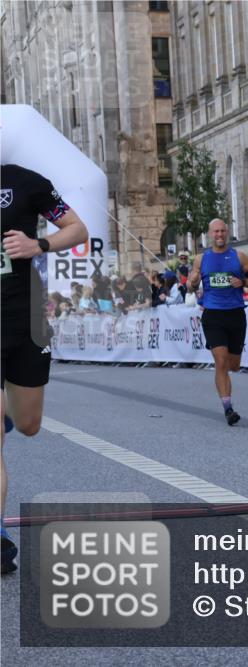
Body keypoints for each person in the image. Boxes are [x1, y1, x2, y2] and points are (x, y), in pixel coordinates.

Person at [1, 162, 89, 574]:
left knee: (28, 423)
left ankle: (7, 409)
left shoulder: (24, 182)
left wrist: (39, 244)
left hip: (27, 320)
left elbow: (77, 228)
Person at [186, 219, 248, 426]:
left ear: (227, 232)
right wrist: (192, 283)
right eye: (215, 231)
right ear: (210, 234)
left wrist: (243, 282)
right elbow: (191, 287)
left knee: (233, 365)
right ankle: (228, 409)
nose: (219, 234)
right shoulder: (201, 259)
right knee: (220, 361)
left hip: (236, 314)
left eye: (222, 231)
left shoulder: (239, 256)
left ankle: (228, 393)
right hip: (213, 315)